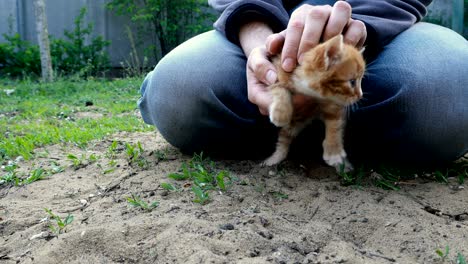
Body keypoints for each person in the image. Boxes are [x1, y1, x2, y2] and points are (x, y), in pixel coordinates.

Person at [138, 0, 468, 165]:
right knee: (176, 88)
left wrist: (357, 26)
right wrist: (260, 44)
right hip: (262, 31)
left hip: (379, 36)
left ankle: (284, 135)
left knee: (452, 85)